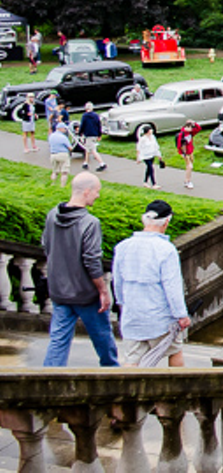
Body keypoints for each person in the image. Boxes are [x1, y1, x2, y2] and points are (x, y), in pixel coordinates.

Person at [42, 173, 118, 366]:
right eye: (97, 192)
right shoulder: (90, 223)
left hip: (59, 291)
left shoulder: (52, 215)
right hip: (85, 294)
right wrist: (103, 290)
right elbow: (92, 261)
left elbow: (46, 246)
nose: (98, 196)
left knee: (58, 341)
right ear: (87, 191)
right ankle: (114, 375)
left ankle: (49, 380)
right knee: (103, 339)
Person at [113, 199, 191, 366]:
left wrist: (122, 305)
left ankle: (130, 391)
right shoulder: (166, 250)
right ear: (167, 222)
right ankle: (178, 389)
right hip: (159, 317)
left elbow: (118, 283)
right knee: (174, 351)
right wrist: (181, 314)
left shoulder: (123, 247)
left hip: (132, 315)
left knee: (132, 359)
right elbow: (172, 287)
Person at [79, 102, 107, 171]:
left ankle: (102, 163)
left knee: (92, 150)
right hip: (94, 134)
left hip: (88, 134)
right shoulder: (96, 116)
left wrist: (80, 133)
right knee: (87, 148)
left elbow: (82, 125)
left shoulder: (85, 116)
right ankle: (85, 162)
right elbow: (99, 125)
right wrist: (99, 134)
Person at [48, 121, 73, 188]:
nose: (65, 130)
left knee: (55, 171)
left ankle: (52, 184)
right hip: (63, 154)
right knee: (64, 172)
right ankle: (62, 186)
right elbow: (70, 148)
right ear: (61, 129)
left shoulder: (51, 136)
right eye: (64, 129)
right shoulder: (63, 137)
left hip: (53, 154)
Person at [175, 120, 199, 189]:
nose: (191, 129)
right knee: (190, 166)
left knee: (190, 166)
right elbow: (179, 145)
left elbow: (198, 129)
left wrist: (194, 123)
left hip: (190, 151)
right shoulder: (181, 134)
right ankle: (187, 181)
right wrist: (183, 153)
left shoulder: (190, 133)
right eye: (190, 128)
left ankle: (188, 179)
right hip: (185, 153)